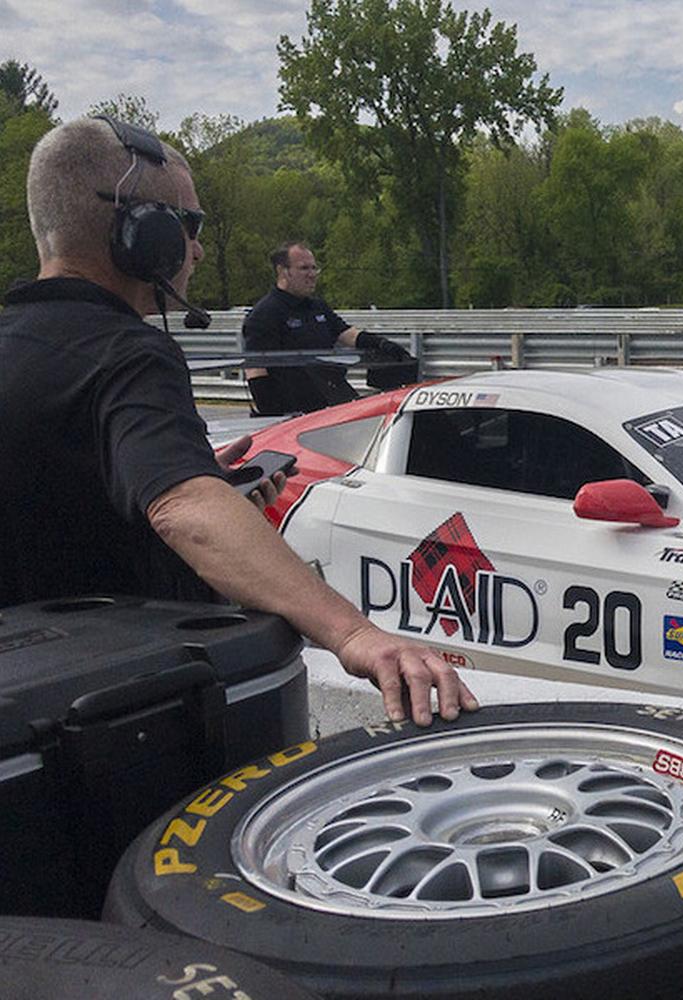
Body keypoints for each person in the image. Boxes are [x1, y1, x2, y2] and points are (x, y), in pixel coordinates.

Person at [0, 116, 474, 727]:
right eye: (188, 226)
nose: (195, 249)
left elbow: (55, 494)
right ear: (139, 233)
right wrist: (355, 635)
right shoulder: (129, 354)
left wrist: (186, 470)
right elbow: (185, 510)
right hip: (114, 714)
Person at [242, 241, 411, 415]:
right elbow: (256, 369)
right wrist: (273, 415)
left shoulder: (317, 307)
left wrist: (381, 344)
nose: (312, 274)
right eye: (304, 268)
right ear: (282, 271)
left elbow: (347, 334)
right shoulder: (265, 313)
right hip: (292, 412)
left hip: (328, 404)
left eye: (314, 268)